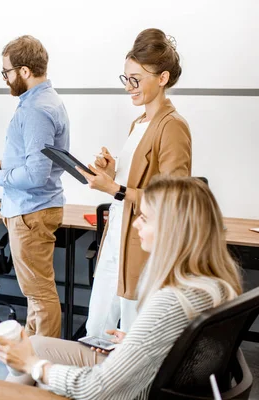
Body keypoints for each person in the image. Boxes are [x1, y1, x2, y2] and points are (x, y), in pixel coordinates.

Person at [0, 176, 242, 400]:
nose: (135, 225)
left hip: (137, 389)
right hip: (161, 376)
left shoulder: (170, 301)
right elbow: (182, 347)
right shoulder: (217, 283)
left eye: (144, 218)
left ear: (171, 229)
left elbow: (94, 388)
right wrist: (134, 343)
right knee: (36, 343)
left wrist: (32, 364)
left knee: (37, 374)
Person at [77, 28, 192, 338]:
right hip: (116, 236)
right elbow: (135, 182)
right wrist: (113, 172)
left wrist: (113, 188)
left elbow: (172, 200)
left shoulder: (173, 126)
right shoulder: (139, 123)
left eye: (136, 79)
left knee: (131, 335)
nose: (129, 87)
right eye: (126, 78)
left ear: (163, 78)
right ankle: (92, 385)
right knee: (96, 330)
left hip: (140, 246)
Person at [0, 35, 70, 338]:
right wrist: (5, 164)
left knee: (40, 295)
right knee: (36, 294)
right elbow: (39, 159)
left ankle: (44, 368)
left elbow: (36, 175)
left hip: (31, 211)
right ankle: (32, 357)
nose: (5, 79)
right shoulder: (46, 100)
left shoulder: (35, 109)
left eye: (7, 72)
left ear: (25, 71)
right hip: (37, 208)